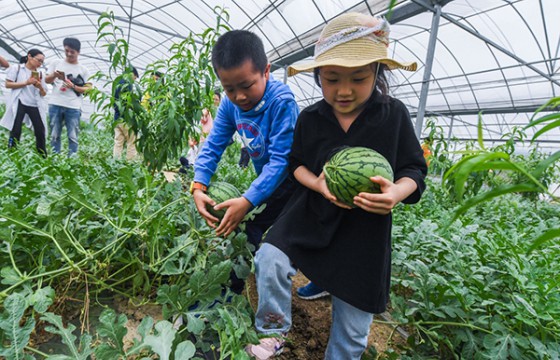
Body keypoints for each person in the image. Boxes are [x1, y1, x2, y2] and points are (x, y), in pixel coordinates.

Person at [245, 13, 427, 359]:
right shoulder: (311, 118)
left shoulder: (394, 116)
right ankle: (274, 331)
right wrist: (318, 183)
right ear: (318, 76)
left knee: (352, 328)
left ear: (377, 72)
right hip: (313, 213)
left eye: (358, 78)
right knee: (269, 257)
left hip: (365, 230)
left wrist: (396, 192)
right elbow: (295, 165)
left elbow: (414, 170)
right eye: (331, 79)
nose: (344, 90)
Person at [190, 29, 299, 292]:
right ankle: (232, 289)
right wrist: (198, 184)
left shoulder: (281, 102)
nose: (239, 96)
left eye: (247, 86)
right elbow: (213, 145)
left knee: (290, 240)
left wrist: (248, 199)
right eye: (229, 89)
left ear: (266, 71)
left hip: (296, 184)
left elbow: (282, 161)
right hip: (268, 183)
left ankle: (319, 278)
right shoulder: (230, 106)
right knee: (248, 229)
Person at [45, 37, 91, 155]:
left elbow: (89, 89)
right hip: (55, 103)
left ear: (78, 52)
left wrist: (73, 87)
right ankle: (55, 160)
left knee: (73, 136)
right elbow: (46, 80)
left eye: (72, 52)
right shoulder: (56, 63)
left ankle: (72, 161)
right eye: (66, 51)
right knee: (54, 135)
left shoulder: (83, 70)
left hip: (73, 106)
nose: (69, 54)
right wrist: (55, 75)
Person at [0, 49, 48, 157]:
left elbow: (44, 93)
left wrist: (39, 86)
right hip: (20, 102)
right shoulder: (17, 69)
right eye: (39, 60)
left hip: (34, 104)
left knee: (40, 131)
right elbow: (8, 84)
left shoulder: (41, 74)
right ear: (29, 57)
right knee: (16, 129)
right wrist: (26, 82)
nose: (40, 64)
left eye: (42, 62)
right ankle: (12, 152)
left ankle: (43, 155)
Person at [113, 67, 140, 161]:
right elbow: (129, 102)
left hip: (117, 119)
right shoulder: (127, 84)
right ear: (132, 74)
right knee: (132, 141)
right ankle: (130, 164)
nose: (134, 80)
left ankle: (115, 164)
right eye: (135, 77)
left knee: (118, 142)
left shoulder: (117, 83)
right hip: (125, 118)